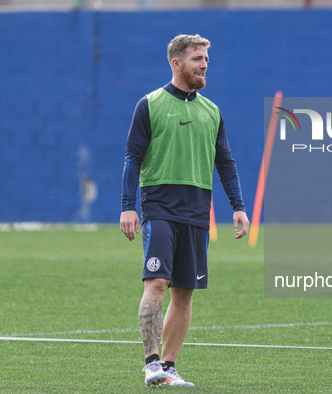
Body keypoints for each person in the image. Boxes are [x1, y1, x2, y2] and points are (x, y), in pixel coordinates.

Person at [120, 34, 249, 387]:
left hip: (196, 211)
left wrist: (238, 206)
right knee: (158, 283)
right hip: (159, 206)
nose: (204, 64)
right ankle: (150, 364)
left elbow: (226, 162)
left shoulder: (212, 112)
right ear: (176, 63)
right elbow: (133, 159)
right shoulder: (150, 104)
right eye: (196, 59)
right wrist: (127, 207)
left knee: (184, 292)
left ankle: (169, 366)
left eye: (206, 58)